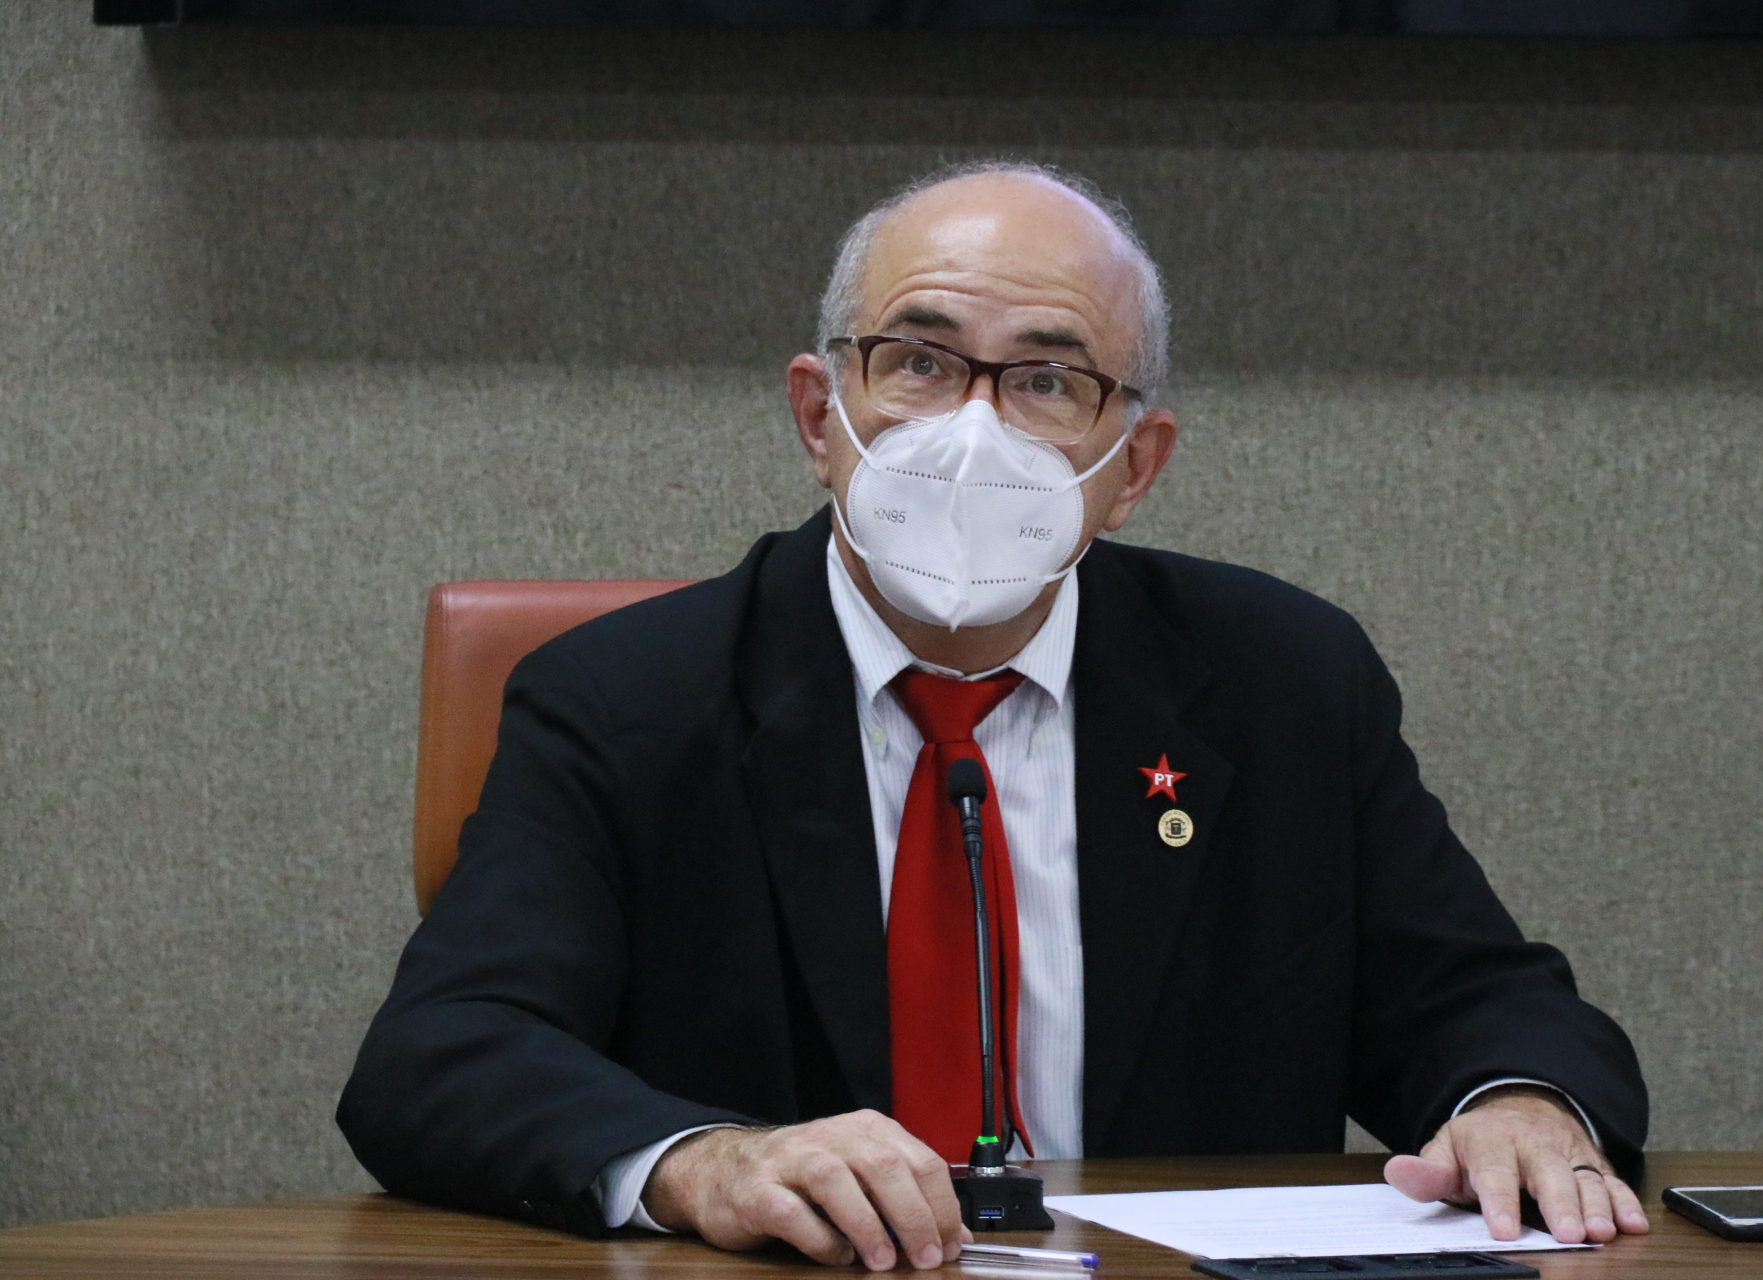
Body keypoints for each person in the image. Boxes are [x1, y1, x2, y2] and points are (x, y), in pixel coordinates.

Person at [338, 162, 1650, 1268]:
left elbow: (1479, 1000)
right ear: (820, 415)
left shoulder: (1281, 681)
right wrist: (704, 1163)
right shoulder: (626, 697)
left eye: (1046, 381)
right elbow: (443, 1055)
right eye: (918, 362)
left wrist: (1519, 1102)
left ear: (1132, 467)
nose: (973, 429)